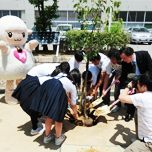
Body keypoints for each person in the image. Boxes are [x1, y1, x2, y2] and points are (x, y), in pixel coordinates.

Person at [12, 62, 70, 135]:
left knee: (35, 103)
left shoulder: (58, 70)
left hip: (33, 80)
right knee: (33, 104)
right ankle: (35, 128)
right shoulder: (55, 75)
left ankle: (39, 118)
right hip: (32, 78)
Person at [30, 69, 81, 145]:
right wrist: (76, 114)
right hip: (57, 91)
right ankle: (58, 138)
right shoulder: (72, 86)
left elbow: (67, 96)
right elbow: (73, 104)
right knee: (58, 118)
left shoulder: (63, 76)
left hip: (47, 87)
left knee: (50, 115)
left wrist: (68, 101)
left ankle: (46, 137)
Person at [119, 71, 152, 152]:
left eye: (138, 84)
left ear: (144, 86)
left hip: (149, 142)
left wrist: (129, 86)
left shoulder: (143, 97)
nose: (137, 85)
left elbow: (121, 97)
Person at [119, 46, 152, 122]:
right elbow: (124, 76)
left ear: (130, 55)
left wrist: (140, 78)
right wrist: (123, 89)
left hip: (145, 80)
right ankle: (130, 113)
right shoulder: (125, 63)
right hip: (133, 82)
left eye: (124, 58)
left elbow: (150, 69)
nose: (123, 60)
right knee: (131, 95)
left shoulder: (144, 55)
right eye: (122, 58)